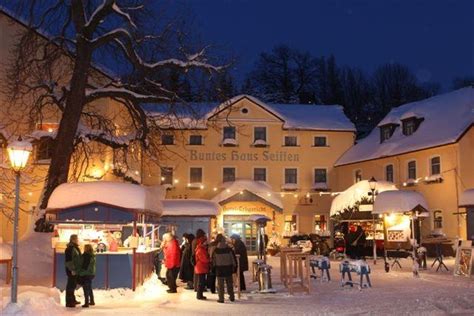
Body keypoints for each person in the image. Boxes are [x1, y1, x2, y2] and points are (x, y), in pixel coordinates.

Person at [212, 234, 236, 303]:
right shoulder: (229, 249)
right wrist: (234, 266)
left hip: (219, 269)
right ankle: (232, 297)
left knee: (220, 285)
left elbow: (214, 261)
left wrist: (213, 268)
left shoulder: (216, 250)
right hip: (228, 268)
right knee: (229, 284)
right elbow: (233, 259)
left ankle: (221, 298)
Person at [65, 234, 82, 308]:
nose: (78, 240)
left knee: (73, 285)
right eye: (77, 239)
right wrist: (72, 269)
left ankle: (72, 300)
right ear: (73, 240)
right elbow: (69, 261)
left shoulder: (74, 248)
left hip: (75, 270)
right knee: (71, 286)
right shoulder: (70, 249)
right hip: (72, 270)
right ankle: (69, 302)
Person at [194, 232, 210, 300]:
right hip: (201, 268)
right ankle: (199, 295)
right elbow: (204, 259)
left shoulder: (201, 249)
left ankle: (200, 295)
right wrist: (209, 259)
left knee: (201, 282)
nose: (206, 243)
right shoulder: (200, 249)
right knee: (201, 282)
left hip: (201, 267)